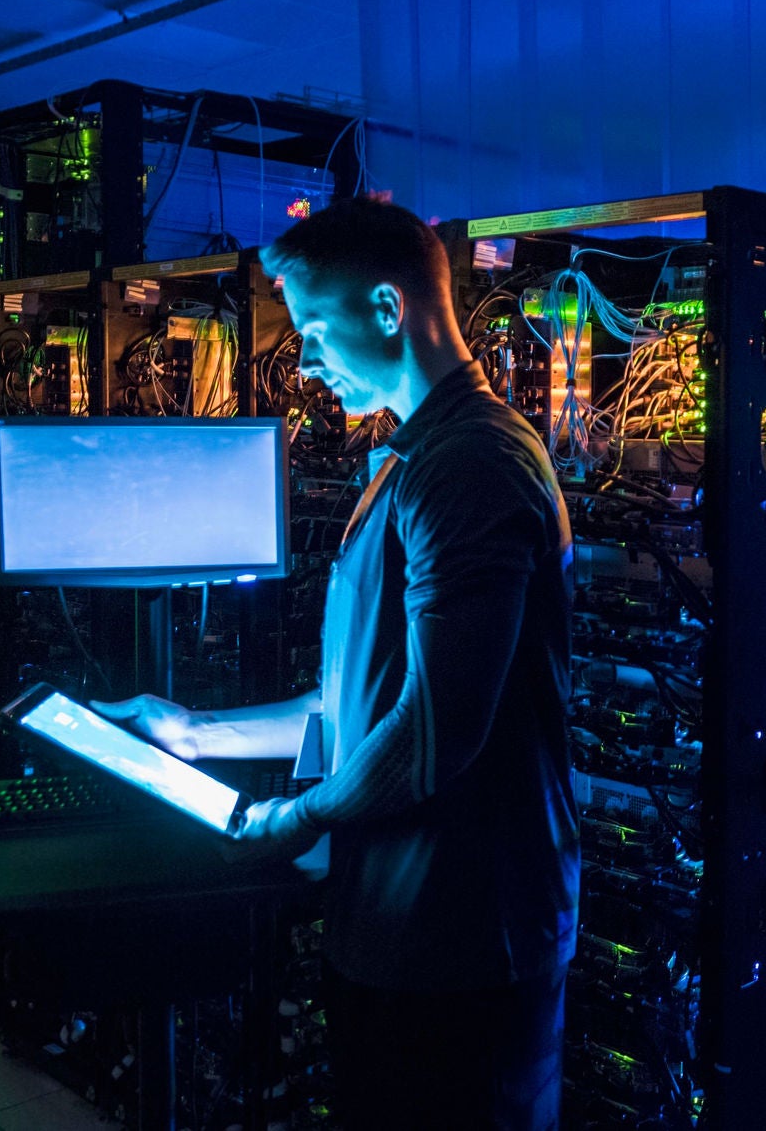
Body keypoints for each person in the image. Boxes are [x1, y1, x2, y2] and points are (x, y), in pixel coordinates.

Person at [95, 196, 579, 1130]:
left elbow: (433, 734)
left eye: (314, 330)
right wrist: (199, 731)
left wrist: (294, 817)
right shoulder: (407, 461)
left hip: (464, 948)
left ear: (391, 312)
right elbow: (357, 699)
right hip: (400, 932)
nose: (304, 360)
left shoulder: (470, 465)